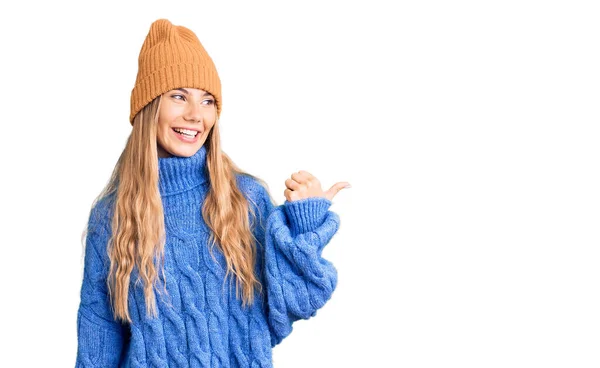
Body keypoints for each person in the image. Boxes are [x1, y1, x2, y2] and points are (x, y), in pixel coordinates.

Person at [75, 18, 350, 367]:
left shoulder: (243, 199)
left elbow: (294, 305)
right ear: (148, 107)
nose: (195, 115)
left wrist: (304, 225)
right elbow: (98, 342)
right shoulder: (112, 216)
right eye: (178, 97)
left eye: (207, 102)